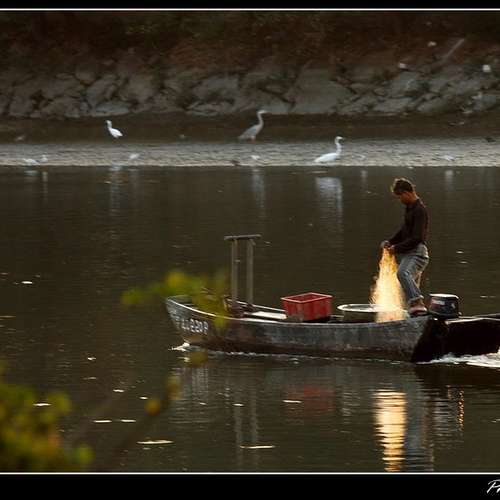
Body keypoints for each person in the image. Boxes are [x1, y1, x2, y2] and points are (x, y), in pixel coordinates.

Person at [380, 178, 429, 316]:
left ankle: (418, 303)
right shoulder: (410, 209)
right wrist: (390, 242)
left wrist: (396, 248)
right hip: (410, 253)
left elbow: (417, 238)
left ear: (407, 193)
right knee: (405, 287)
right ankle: (413, 316)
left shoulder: (419, 210)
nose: (399, 200)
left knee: (402, 273)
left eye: (400, 196)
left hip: (418, 253)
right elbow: (403, 231)